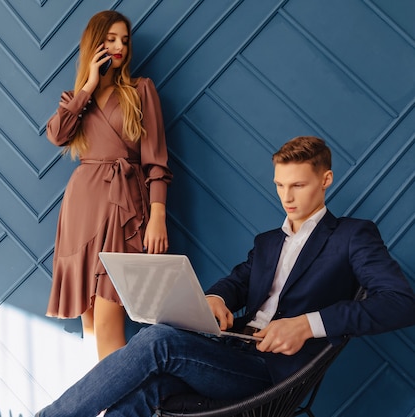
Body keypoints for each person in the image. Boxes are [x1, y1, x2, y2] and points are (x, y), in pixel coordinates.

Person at [35, 136, 415, 417]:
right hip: (231, 352)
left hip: (275, 373)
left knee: (160, 341)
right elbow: (237, 281)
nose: (287, 196)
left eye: (298, 185)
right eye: (280, 185)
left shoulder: (352, 235)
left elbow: (401, 303)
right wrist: (215, 298)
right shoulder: (268, 242)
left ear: (326, 179)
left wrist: (306, 325)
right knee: (152, 388)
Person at [45, 10, 173, 360]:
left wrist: (158, 214)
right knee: (89, 328)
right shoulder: (76, 100)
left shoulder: (140, 90)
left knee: (107, 322)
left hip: (124, 209)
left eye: (125, 40)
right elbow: (57, 136)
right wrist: (87, 86)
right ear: (95, 44)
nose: (119, 47)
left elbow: (156, 161)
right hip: (82, 209)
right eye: (111, 39)